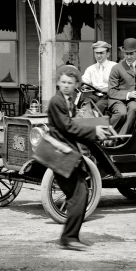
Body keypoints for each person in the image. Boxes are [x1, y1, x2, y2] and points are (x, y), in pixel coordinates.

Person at [48, 65, 109, 251]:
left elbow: (74, 125)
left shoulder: (69, 100)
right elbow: (68, 128)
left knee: (80, 193)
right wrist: (93, 131)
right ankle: (69, 238)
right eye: (63, 82)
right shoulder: (56, 102)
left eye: (70, 83)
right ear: (58, 83)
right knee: (79, 193)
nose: (66, 86)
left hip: (66, 152)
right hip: (59, 153)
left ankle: (70, 236)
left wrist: (95, 129)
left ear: (76, 85)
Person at [81, 41, 116, 114]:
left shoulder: (114, 67)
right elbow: (84, 81)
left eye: (101, 53)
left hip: (109, 97)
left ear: (108, 54)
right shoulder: (90, 69)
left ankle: (93, 122)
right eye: (97, 53)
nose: (99, 56)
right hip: (95, 96)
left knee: (98, 106)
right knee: (86, 103)